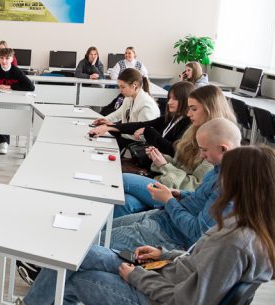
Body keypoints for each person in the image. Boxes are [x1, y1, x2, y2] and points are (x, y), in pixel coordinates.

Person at [0, 137, 271, 305]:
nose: (217, 181)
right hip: (164, 282)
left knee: (71, 278)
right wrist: (165, 255)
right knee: (75, 253)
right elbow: (198, 263)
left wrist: (137, 276)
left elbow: (189, 304)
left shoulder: (234, 242)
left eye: (224, 175)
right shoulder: (247, 227)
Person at [111, 118, 241, 252]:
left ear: (223, 148)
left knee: (98, 240)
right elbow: (200, 197)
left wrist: (169, 201)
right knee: (101, 227)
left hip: (168, 235)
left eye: (204, 150)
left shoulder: (227, 185)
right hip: (163, 217)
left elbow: (197, 232)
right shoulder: (218, 169)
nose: (202, 155)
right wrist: (181, 194)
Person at [111, 85, 237, 217]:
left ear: (210, 110)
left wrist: (164, 165)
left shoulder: (217, 145)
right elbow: (179, 163)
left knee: (123, 180)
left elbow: (194, 187)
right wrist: (161, 158)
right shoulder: (193, 130)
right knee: (126, 203)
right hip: (168, 185)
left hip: (179, 195)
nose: (188, 114)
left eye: (194, 109)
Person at [92, 81, 193, 157]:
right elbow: (140, 125)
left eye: (175, 99)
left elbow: (172, 151)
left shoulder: (188, 124)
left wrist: (147, 130)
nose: (169, 102)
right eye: (169, 98)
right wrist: (110, 126)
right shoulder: (172, 117)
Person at [90, 68, 159, 149]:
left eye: (123, 87)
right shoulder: (129, 98)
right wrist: (104, 120)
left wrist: (113, 127)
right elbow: (118, 113)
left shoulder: (146, 106)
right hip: (127, 138)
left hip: (138, 145)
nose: (120, 90)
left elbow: (142, 136)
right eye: (119, 87)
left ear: (134, 85)